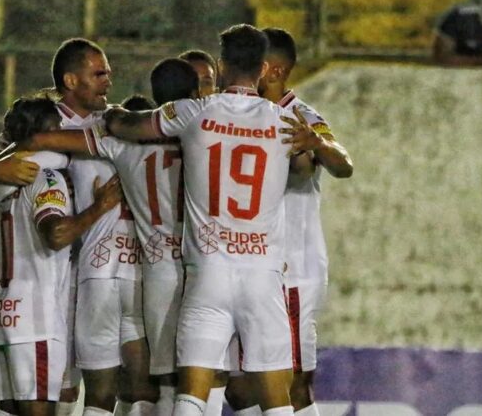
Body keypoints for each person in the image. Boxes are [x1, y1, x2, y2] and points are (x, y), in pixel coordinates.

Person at [103, 24, 322, 416]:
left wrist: (114, 114)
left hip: (208, 272)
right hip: (261, 275)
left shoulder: (193, 112)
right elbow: (305, 170)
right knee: (276, 400)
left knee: (191, 393)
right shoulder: (282, 121)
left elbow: (128, 126)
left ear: (221, 66)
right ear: (261, 69)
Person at [19, 57, 201, 416]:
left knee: (99, 396)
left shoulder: (115, 144)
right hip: (147, 275)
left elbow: (42, 140)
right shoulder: (197, 144)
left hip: (96, 275)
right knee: (151, 389)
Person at [226, 27, 354, 416]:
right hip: (250, 265)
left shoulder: (302, 117)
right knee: (240, 387)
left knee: (294, 383)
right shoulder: (241, 115)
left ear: (274, 69)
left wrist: (316, 144)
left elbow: (343, 166)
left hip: (292, 270)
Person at [0, 96, 123, 416]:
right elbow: (56, 234)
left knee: (8, 412)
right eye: (56, 127)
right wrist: (99, 207)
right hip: (34, 317)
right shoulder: (46, 177)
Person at [50, 38, 156, 416]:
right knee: (65, 389)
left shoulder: (114, 125)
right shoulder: (48, 124)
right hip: (60, 274)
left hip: (118, 269)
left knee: (134, 385)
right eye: (99, 73)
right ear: (71, 80)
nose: (109, 80)